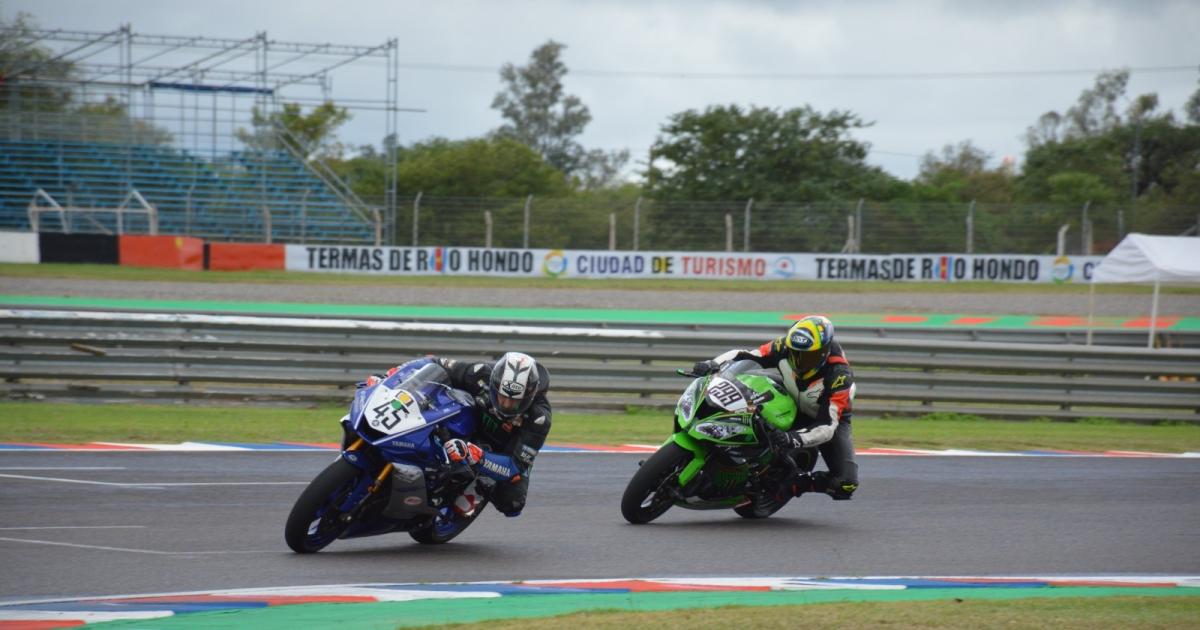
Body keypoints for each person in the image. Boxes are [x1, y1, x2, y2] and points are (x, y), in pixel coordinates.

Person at [692, 315, 858, 500]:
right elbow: (748, 354)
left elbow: (827, 426)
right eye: (795, 353)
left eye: (808, 356)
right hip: (789, 396)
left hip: (823, 417)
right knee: (747, 391)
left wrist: (791, 438)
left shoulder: (839, 376)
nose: (799, 361)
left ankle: (792, 485)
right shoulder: (784, 346)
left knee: (846, 483)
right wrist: (713, 364)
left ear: (823, 352)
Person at [428, 351, 552, 518]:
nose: (506, 405)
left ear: (529, 397)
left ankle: (482, 484)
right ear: (495, 385)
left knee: (512, 504)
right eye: (502, 397)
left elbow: (514, 465)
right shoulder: (480, 373)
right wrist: (395, 375)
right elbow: (436, 363)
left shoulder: (539, 418)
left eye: (514, 402)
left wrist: (477, 456)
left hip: (502, 450)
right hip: (468, 423)